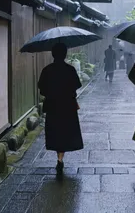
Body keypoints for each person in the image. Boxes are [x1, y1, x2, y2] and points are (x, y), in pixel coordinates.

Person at [38, 43, 83, 173]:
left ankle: (59, 159)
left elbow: (42, 89)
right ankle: (60, 159)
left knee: (56, 131)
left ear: (53, 54)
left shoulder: (47, 70)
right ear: (65, 54)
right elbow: (77, 85)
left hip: (52, 105)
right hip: (67, 105)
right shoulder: (70, 69)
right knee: (65, 131)